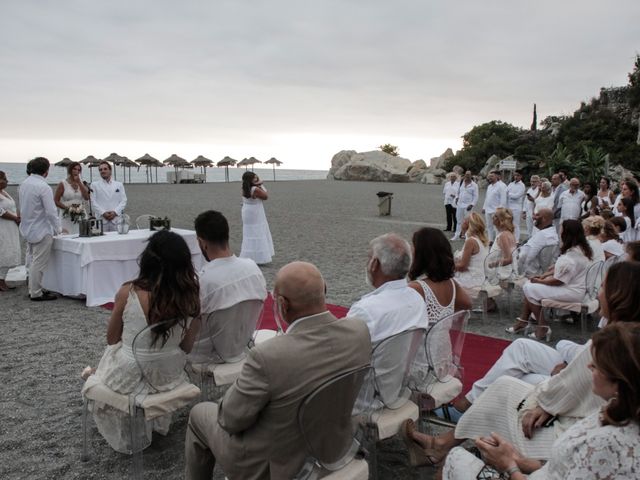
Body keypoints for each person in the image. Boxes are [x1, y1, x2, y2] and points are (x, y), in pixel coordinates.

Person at [402, 261, 640, 470]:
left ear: (617, 295)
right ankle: (447, 442)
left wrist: (542, 403)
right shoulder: (626, 336)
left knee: (506, 390)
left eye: (602, 288)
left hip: (570, 429)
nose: (598, 294)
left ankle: (450, 444)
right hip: (584, 414)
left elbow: (566, 386)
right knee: (514, 378)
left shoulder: (610, 344)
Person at [184, 261, 371, 480]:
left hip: (274, 464)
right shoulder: (359, 332)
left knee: (200, 414)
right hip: (333, 445)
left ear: (282, 304)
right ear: (325, 291)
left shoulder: (269, 356)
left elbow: (230, 420)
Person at [441, 322, 640, 479]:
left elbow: (566, 388)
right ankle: (444, 443)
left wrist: (509, 466)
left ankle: (443, 446)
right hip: (540, 467)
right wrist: (520, 460)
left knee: (456, 459)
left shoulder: (606, 443)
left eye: (597, 366)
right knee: (510, 381)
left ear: (618, 381)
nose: (588, 367)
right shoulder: (613, 412)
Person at [81, 230, 201, 453]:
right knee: (129, 353)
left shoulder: (129, 292)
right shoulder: (191, 295)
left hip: (131, 373)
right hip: (169, 374)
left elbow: (111, 338)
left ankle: (95, 374)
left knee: (118, 351)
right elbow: (186, 347)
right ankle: (96, 373)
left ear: (148, 259)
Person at [188, 210, 267, 362]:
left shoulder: (202, 281)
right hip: (241, 345)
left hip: (205, 355)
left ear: (202, 242)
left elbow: (190, 326)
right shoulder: (253, 269)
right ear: (226, 235)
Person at [512, 219, 593, 341]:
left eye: (560, 231)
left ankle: (541, 326)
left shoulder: (571, 256)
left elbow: (559, 281)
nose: (559, 234)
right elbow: (560, 271)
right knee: (530, 286)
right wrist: (543, 276)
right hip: (576, 288)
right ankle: (527, 321)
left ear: (566, 234)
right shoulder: (581, 249)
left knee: (529, 287)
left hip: (571, 292)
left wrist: (540, 281)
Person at [348, 233, 426, 343]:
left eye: (369, 257)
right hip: (405, 360)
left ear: (374, 264)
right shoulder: (418, 299)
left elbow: (342, 351)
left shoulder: (365, 310)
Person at [19, 157, 62, 301]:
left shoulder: (24, 184)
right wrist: (58, 229)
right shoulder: (43, 187)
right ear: (46, 171)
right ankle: (36, 292)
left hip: (28, 227)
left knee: (32, 259)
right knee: (39, 262)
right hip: (42, 229)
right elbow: (51, 212)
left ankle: (33, 287)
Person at [407, 227, 472, 324]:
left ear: (421, 253)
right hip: (445, 338)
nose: (411, 250)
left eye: (413, 246)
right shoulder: (451, 283)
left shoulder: (416, 287)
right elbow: (467, 304)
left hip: (424, 338)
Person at [239, 171, 274, 265]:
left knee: (249, 232)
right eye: (254, 177)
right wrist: (261, 184)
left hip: (247, 210)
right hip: (255, 211)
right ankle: (259, 258)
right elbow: (266, 196)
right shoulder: (255, 189)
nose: (256, 178)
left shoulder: (244, 187)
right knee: (258, 231)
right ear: (250, 179)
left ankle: (249, 255)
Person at [516, 208, 559, 278]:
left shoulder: (542, 236)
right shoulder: (553, 233)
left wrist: (517, 270)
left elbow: (524, 256)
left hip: (533, 274)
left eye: (537, 215)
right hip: (546, 272)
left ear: (544, 219)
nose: (533, 217)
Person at [454, 213, 489, 295]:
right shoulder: (482, 239)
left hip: (471, 280)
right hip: (480, 276)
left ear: (467, 225)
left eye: (463, 221)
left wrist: (448, 266)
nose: (461, 223)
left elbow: (463, 266)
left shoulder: (471, 241)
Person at [53, 161, 89, 234]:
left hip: (80, 213)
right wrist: (69, 209)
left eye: (79, 170)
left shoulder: (81, 183)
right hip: (67, 215)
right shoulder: (63, 184)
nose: (76, 171)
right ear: (70, 170)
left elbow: (86, 197)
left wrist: (79, 183)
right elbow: (56, 201)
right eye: (74, 169)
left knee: (82, 233)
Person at [91, 161, 127, 232]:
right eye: (100, 170)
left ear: (110, 170)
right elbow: (92, 202)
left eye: (105, 169)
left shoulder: (119, 185)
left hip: (116, 220)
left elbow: (123, 201)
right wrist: (103, 213)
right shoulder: (94, 185)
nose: (103, 171)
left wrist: (115, 212)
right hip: (101, 220)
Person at [0, 171, 21, 291]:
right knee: (3, 250)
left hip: (11, 226)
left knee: (10, 249)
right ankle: (0, 280)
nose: (6, 181)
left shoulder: (5, 193)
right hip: (3, 226)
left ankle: (3, 278)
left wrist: (18, 216)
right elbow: (1, 211)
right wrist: (15, 218)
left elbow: (12, 206)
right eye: (3, 179)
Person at [489, 207, 518, 280]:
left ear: (501, 220)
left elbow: (509, 259)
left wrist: (490, 264)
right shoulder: (508, 234)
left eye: (495, 216)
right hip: (504, 272)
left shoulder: (503, 236)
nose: (492, 217)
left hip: (502, 275)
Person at [451, 171, 478, 241]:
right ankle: (456, 235)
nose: (467, 176)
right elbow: (458, 192)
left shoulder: (474, 185)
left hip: (468, 205)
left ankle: (467, 236)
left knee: (468, 221)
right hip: (460, 204)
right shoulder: (461, 183)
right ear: (464, 175)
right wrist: (457, 197)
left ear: (471, 175)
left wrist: (472, 204)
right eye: (466, 174)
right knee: (459, 220)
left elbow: (476, 196)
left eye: (469, 174)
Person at [482, 170, 507, 242]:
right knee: (489, 226)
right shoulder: (489, 186)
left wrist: (499, 210)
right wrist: (484, 207)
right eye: (489, 176)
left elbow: (503, 199)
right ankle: (490, 240)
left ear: (497, 177)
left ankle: (497, 240)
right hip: (488, 210)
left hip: (496, 210)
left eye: (492, 176)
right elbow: (487, 197)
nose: (490, 178)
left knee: (497, 226)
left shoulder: (501, 186)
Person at [506, 171, 526, 241]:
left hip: (516, 208)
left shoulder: (522, 185)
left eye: (517, 175)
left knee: (515, 224)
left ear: (521, 176)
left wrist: (509, 194)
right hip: (509, 207)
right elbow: (506, 191)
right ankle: (510, 237)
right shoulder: (511, 184)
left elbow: (517, 196)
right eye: (515, 175)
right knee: (508, 224)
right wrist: (509, 194)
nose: (516, 177)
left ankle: (516, 239)